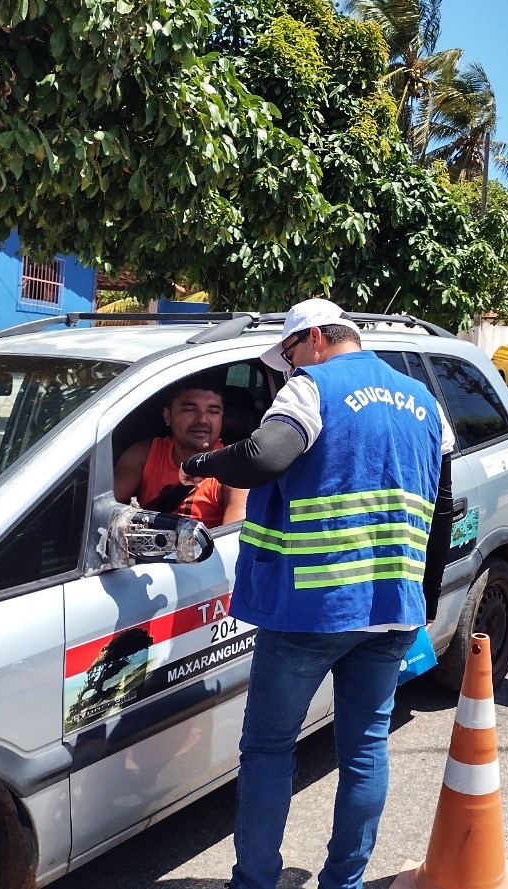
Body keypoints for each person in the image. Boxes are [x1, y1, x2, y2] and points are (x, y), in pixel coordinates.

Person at [180, 298, 456, 889]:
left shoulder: (312, 388)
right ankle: (344, 882)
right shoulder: (426, 404)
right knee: (363, 750)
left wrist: (197, 464)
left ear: (313, 338)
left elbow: (265, 454)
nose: (285, 367)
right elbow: (443, 510)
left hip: (313, 608)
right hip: (391, 610)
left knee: (269, 751)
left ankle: (255, 880)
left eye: (287, 354)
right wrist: (422, 602)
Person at [113, 376, 247, 528]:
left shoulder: (233, 469)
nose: (202, 419)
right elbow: (103, 505)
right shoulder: (145, 454)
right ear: (167, 416)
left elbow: (234, 541)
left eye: (213, 411)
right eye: (190, 409)